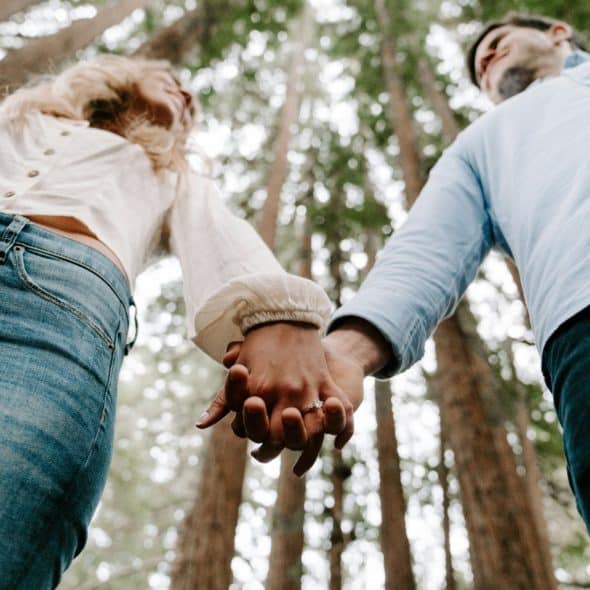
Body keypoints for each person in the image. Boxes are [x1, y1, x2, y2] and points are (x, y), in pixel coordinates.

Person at [200, 13, 590, 531]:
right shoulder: (481, 145)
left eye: (497, 43)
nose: (488, 59)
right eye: (478, 65)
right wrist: (343, 355)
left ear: (558, 32)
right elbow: (425, 253)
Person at [0, 54, 356, 588]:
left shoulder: (170, 172)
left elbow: (217, 231)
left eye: (192, 104)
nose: (186, 96)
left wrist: (282, 318)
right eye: (172, 80)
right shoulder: (20, 117)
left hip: (56, 306)